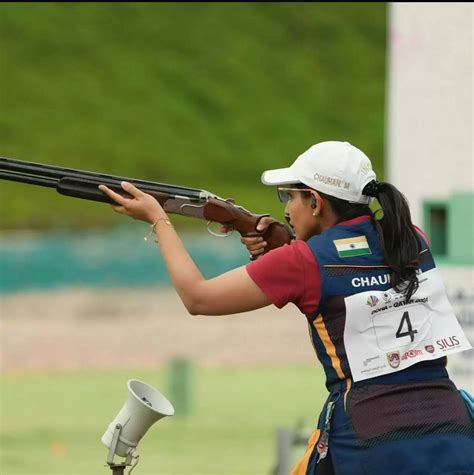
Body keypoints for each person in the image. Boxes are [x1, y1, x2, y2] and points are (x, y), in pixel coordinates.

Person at [98, 141, 474, 474]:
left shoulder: (303, 261)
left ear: (316, 201)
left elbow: (197, 297)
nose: (287, 208)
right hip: (453, 429)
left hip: (367, 439)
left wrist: (158, 220)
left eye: (289, 197)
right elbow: (355, 271)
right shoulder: (410, 237)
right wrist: (286, 247)